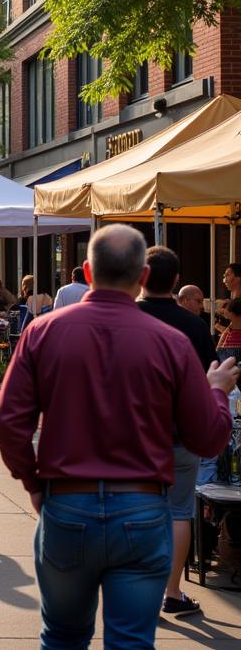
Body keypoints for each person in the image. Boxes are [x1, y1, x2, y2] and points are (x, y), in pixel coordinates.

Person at [0, 224, 237, 650]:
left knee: (63, 639)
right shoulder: (173, 343)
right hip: (142, 509)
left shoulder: (42, 333)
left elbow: (10, 424)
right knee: (131, 647)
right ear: (143, 275)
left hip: (66, 503)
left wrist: (34, 483)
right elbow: (207, 436)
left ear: (87, 271)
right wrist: (217, 389)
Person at [136, 245, 217, 618]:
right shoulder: (195, 327)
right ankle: (172, 592)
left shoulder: (125, 320)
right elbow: (208, 378)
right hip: (181, 433)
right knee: (178, 511)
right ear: (177, 281)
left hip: (132, 435)